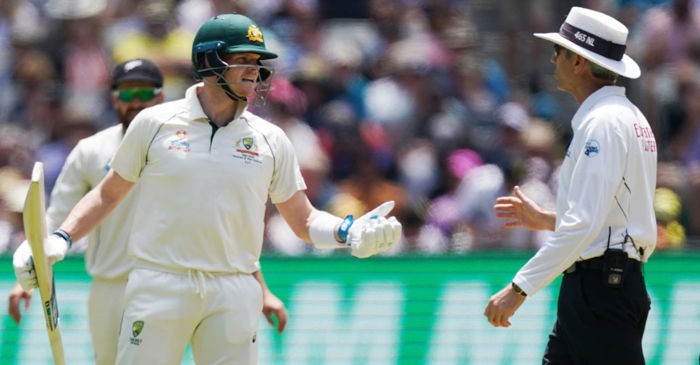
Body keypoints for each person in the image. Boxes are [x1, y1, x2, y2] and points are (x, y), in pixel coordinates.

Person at [13, 13, 401, 365]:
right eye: (243, 60)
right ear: (210, 61)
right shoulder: (155, 123)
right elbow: (108, 193)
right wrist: (62, 238)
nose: (254, 71)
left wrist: (348, 233)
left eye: (256, 63)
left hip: (233, 291)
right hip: (159, 284)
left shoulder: (271, 139)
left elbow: (305, 221)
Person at [8, 58, 288, 364]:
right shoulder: (92, 150)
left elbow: (218, 225)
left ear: (161, 97)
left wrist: (260, 287)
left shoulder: (190, 145)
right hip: (114, 284)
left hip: (181, 277)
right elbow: (55, 217)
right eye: (127, 95)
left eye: (145, 93)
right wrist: (31, 270)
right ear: (113, 97)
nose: (136, 102)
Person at [484, 7, 657, 364]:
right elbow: (609, 217)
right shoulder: (625, 118)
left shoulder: (603, 123)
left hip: (602, 290)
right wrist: (548, 219)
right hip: (603, 287)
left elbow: (585, 223)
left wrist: (518, 289)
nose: (552, 58)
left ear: (579, 62)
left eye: (560, 51)